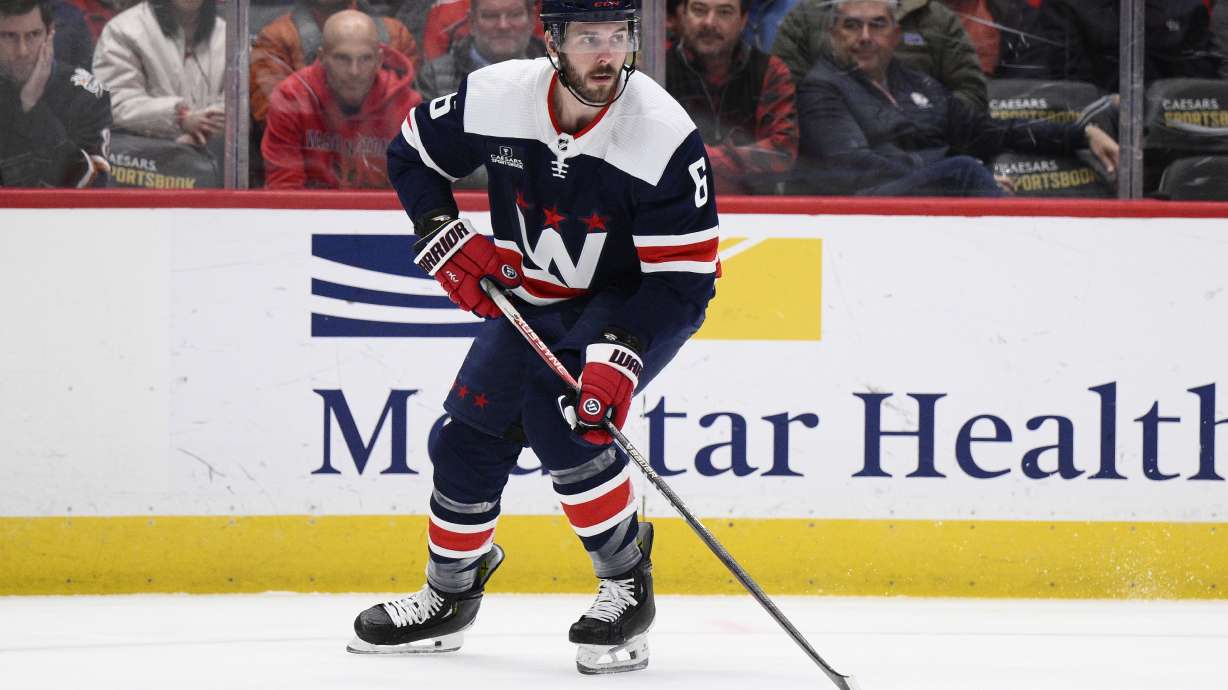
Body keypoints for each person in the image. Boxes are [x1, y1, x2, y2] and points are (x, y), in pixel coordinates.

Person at [347, 0, 719, 675]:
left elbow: (684, 282)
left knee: (565, 416)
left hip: (631, 301)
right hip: (536, 295)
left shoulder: (662, 134)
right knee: (465, 439)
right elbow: (411, 154)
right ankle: (449, 595)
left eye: (618, 36)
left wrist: (621, 352)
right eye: (588, 38)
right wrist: (439, 229)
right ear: (552, 41)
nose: (607, 54)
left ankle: (627, 584)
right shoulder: (498, 96)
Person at [794, 0, 1119, 196]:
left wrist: (1080, 134)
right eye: (852, 26)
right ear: (834, 34)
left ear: (895, 35)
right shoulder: (820, 88)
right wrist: (948, 174)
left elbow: (987, 131)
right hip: (857, 216)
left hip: (928, 210)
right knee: (965, 170)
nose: (865, 37)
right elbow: (856, 166)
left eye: (877, 25)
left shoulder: (916, 83)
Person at [262, 10, 422, 188]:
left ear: (379, 60)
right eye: (342, 58)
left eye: (365, 59)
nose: (354, 71)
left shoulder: (405, 107)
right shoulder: (291, 99)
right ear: (322, 58)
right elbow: (285, 192)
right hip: (308, 206)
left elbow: (415, 191)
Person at [667, 0, 798, 194]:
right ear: (683, 15)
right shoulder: (658, 71)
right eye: (699, 10)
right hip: (678, 204)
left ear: (743, 20)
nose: (709, 22)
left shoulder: (770, 71)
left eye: (724, 12)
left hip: (753, 207)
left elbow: (782, 151)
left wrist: (701, 159)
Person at [773, 0, 989, 109]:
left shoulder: (935, 18)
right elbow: (781, 100)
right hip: (832, 164)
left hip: (924, 159)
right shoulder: (805, 18)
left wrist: (920, 115)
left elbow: (972, 95)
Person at [250, 0, 419, 125]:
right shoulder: (276, 38)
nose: (354, 71)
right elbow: (275, 118)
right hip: (308, 155)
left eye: (365, 58)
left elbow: (409, 118)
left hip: (380, 152)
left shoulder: (395, 35)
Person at [1, 0, 111, 186]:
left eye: (33, 35)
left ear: (50, 34)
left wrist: (33, 110)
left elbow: (93, 183)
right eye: (9, 36)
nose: (22, 51)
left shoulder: (86, 95)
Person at [92, 0, 224, 146]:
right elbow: (116, 102)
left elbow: (238, 100)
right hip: (145, 154)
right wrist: (180, 117)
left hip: (216, 153)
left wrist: (207, 126)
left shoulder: (227, 33)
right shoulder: (124, 30)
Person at [1029, 0, 1222, 92]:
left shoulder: (1187, 8)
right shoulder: (1065, 6)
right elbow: (1068, 87)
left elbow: (1199, 86)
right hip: (1093, 133)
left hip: (1170, 131)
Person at [414, 0, 545, 102]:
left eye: (515, 14)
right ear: (472, 22)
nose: (503, 25)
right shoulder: (434, 77)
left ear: (532, 20)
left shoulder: (555, 68)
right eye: (490, 16)